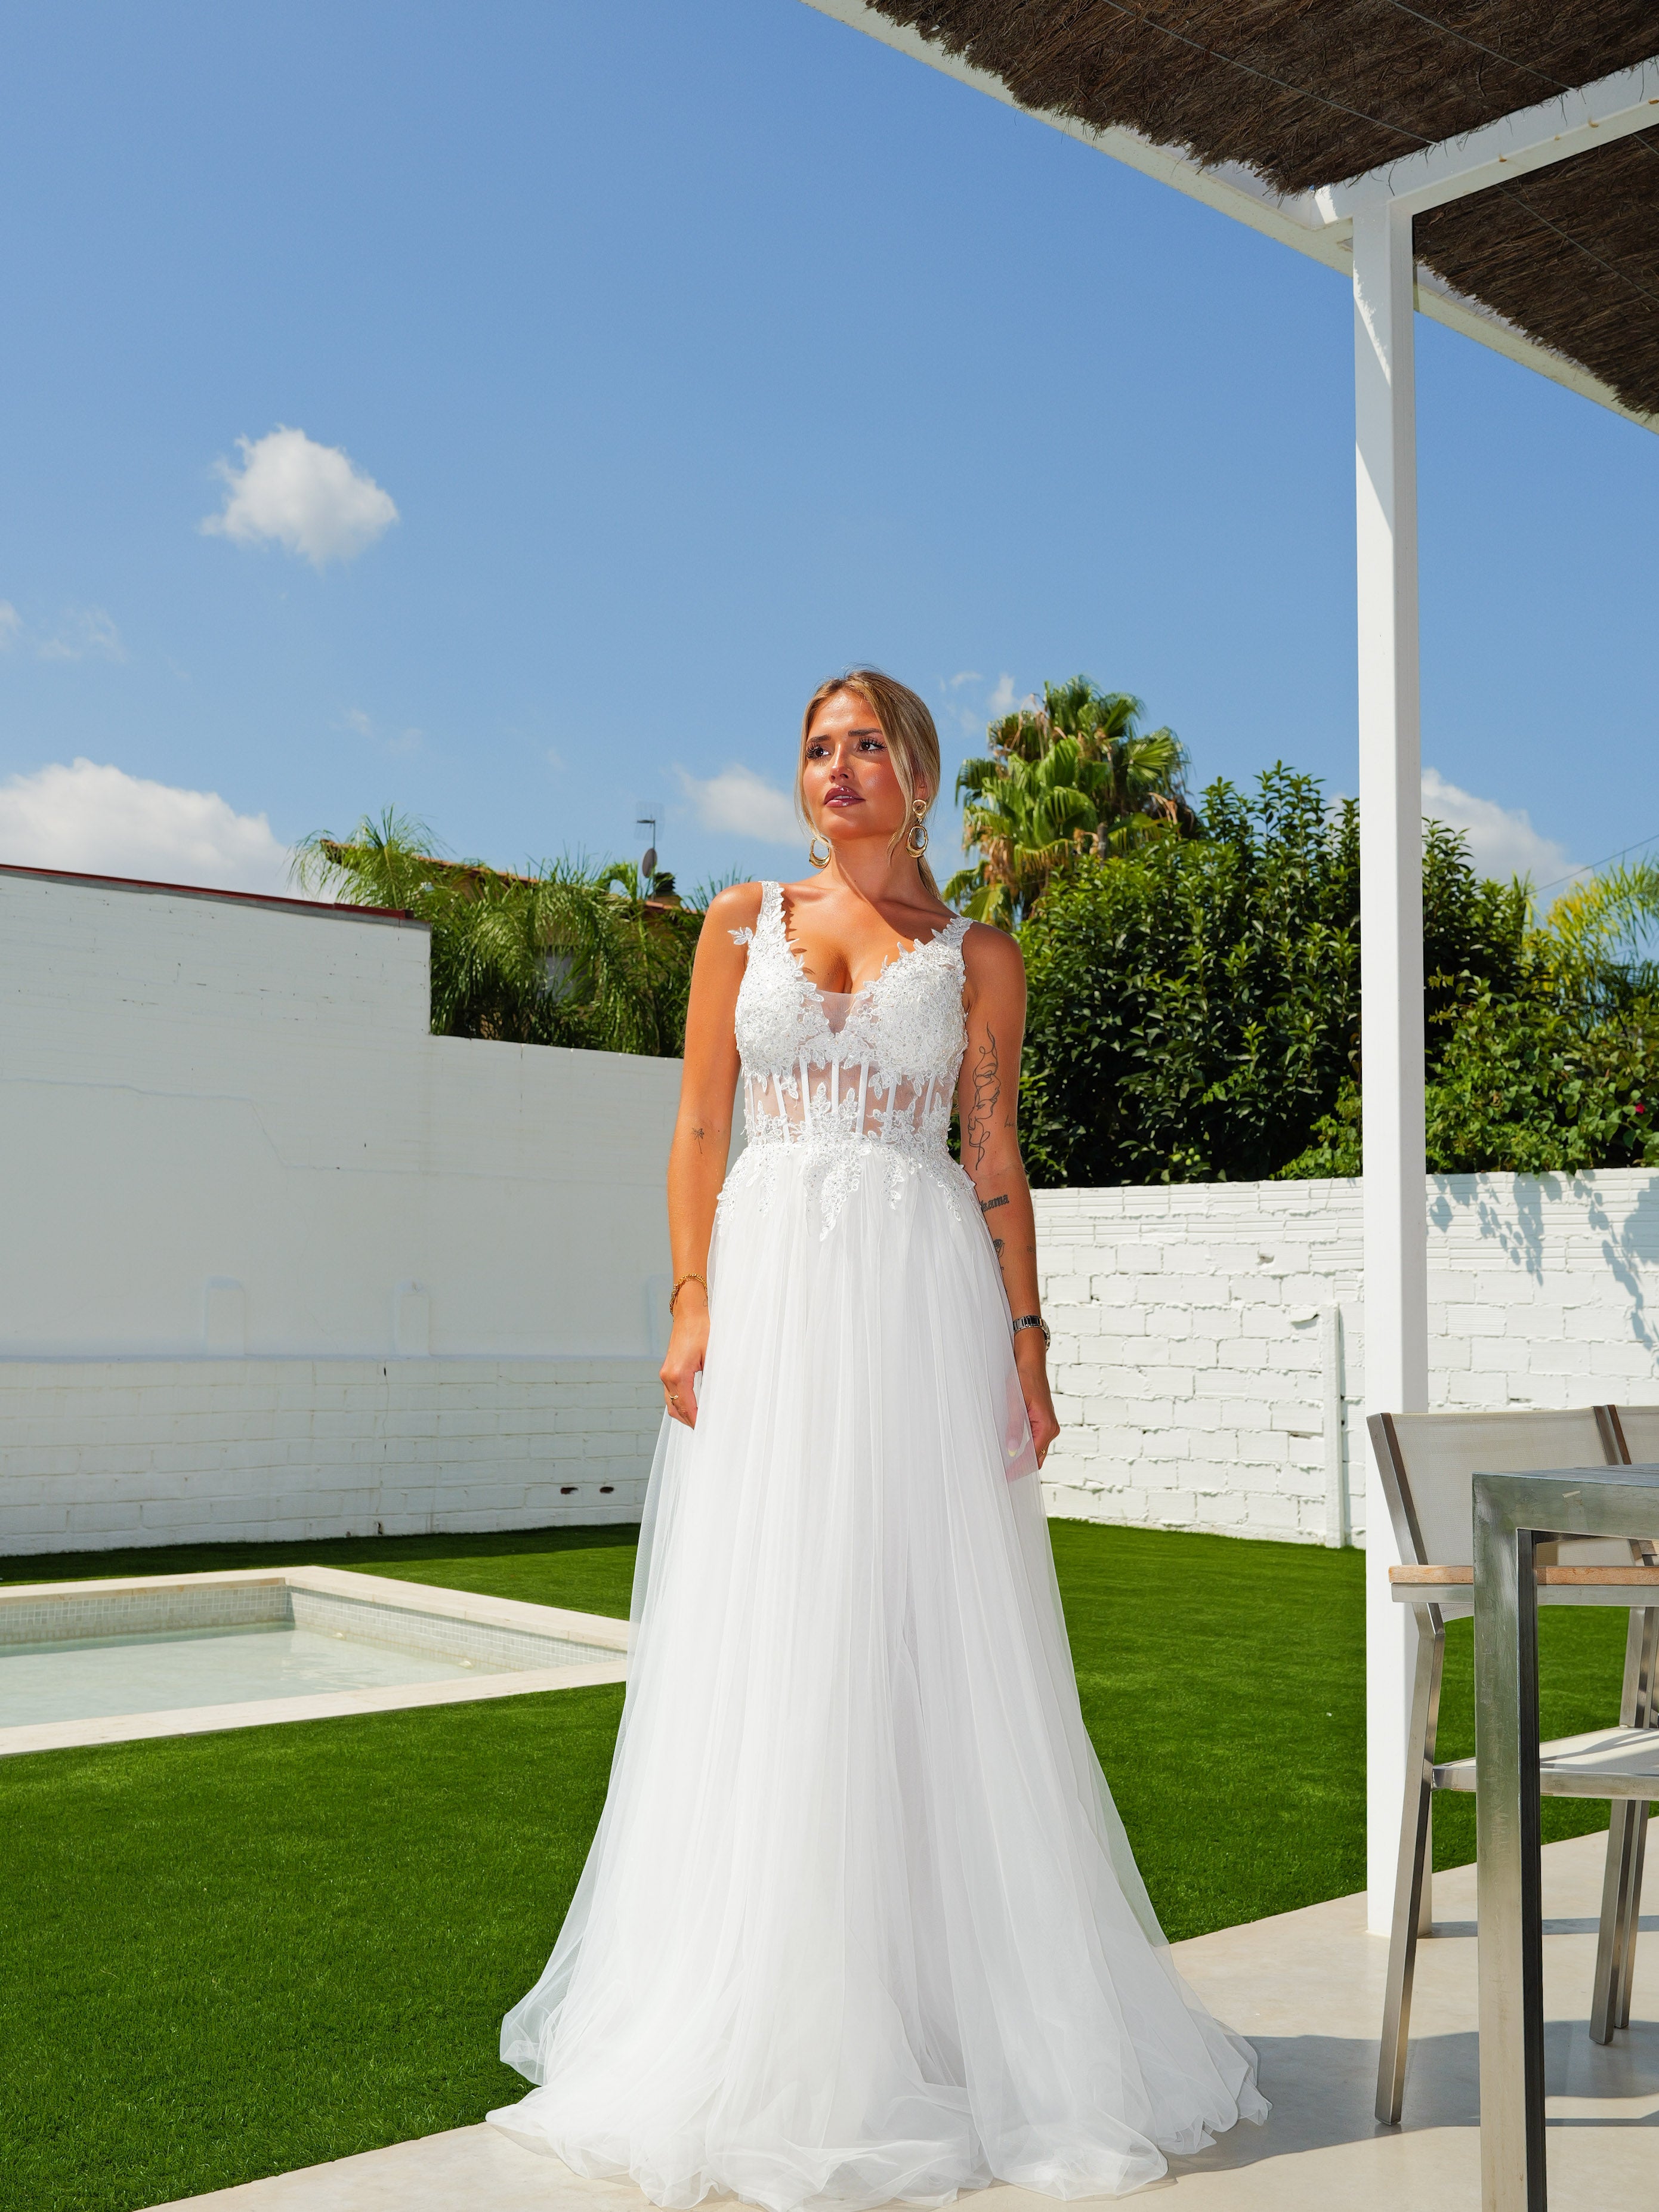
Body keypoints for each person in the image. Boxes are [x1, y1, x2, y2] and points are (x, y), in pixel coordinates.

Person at [490, 670, 1265, 2207]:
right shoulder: (737, 922)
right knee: (774, 1631)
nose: (835, 768)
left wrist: (1029, 1341)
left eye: (866, 746)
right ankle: (769, 2006)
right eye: (816, 747)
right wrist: (693, 1295)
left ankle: (950, 2008)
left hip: (919, 1306)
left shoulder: (980, 956)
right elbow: (700, 1125)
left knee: (923, 1641)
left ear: (919, 775)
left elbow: (994, 1157)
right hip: (772, 1294)